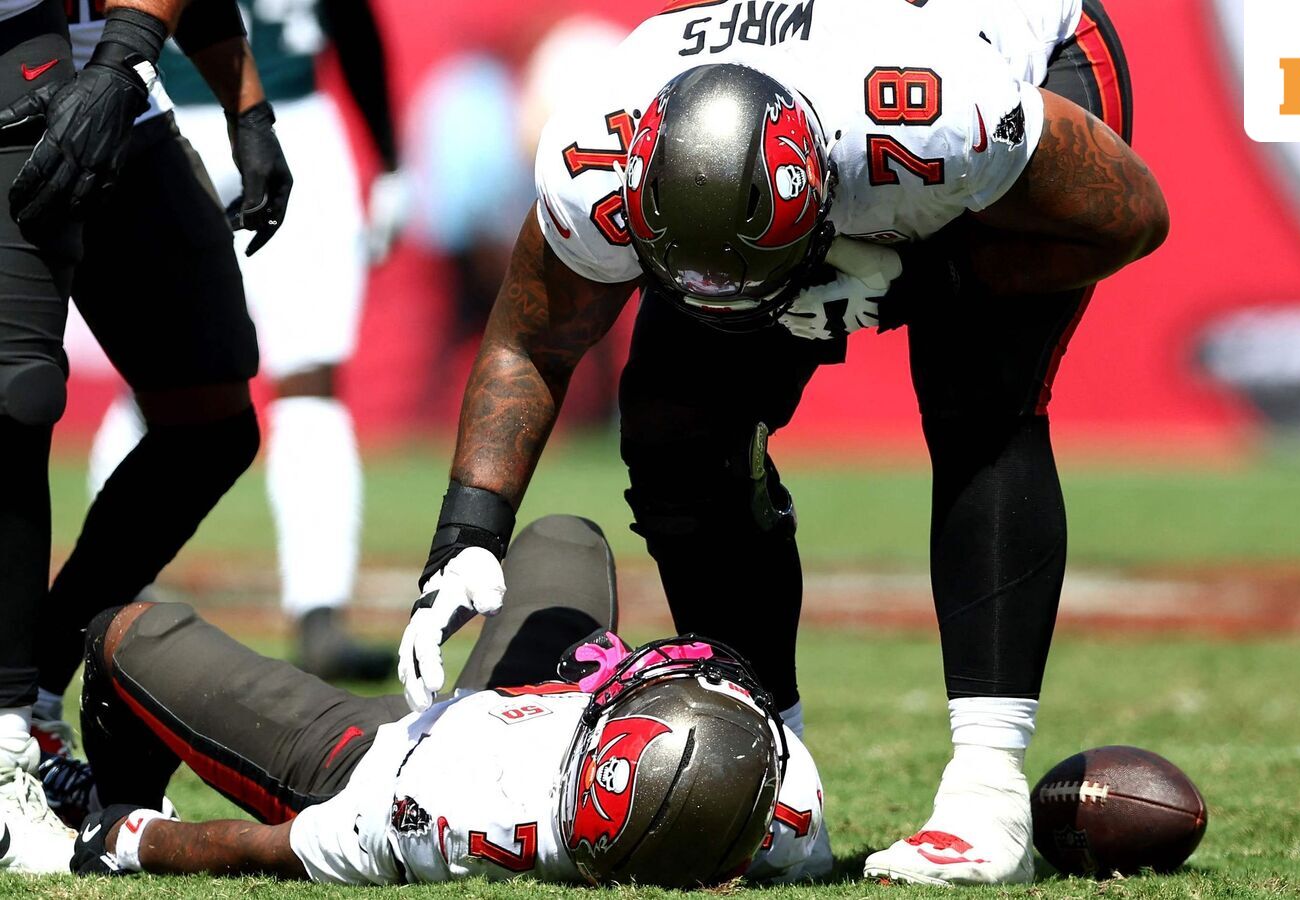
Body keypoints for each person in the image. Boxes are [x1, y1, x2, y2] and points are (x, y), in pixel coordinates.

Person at [399, 0, 1162, 886]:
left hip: (1015, 57)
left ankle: (985, 794)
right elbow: (534, 338)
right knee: (676, 433)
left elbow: (1127, 218)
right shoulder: (598, 148)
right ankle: (771, 776)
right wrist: (467, 534)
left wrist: (925, 282)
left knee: (979, 401)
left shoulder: (942, 116)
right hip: (788, 143)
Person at [44, 514, 830, 885]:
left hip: (380, 757)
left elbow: (272, 850)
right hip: (518, 702)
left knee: (127, 634)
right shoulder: (779, 793)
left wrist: (132, 839)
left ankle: (119, 799)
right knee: (565, 537)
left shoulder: (445, 813)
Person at [0, 0, 288, 875]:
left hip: (122, 84)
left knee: (212, 423)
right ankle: (5, 747)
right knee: (15, 400)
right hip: (19, 65)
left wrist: (247, 106)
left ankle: (37, 696)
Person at [87, 0, 404, 680]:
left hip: (184, 108)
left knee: (265, 379)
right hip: (237, 112)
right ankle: (313, 611)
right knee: (269, 381)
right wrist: (389, 158)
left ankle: (120, 600)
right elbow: (355, 27)